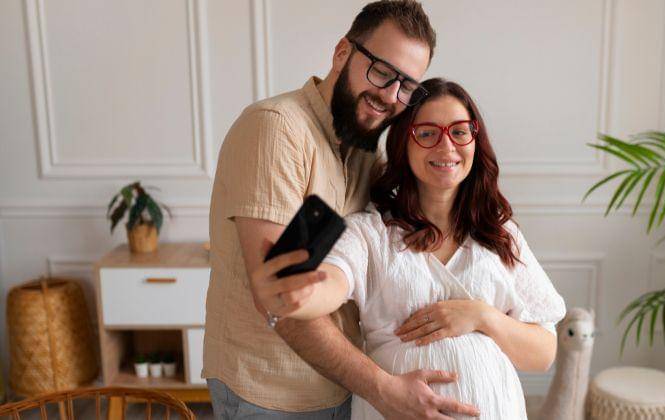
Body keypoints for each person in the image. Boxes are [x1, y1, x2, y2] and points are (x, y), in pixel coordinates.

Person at [204, 1, 480, 419]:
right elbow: (279, 299)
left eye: (406, 86)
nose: (390, 96)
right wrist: (383, 389)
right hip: (270, 395)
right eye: (382, 72)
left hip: (339, 390)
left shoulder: (363, 153)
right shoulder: (276, 129)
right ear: (341, 53)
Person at [284, 78, 567, 419]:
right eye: (427, 133)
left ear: (475, 140)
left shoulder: (501, 234)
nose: (446, 146)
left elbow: (543, 353)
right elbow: (330, 282)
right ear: (404, 143)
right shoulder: (371, 232)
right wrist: (299, 289)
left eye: (459, 132)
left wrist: (481, 316)